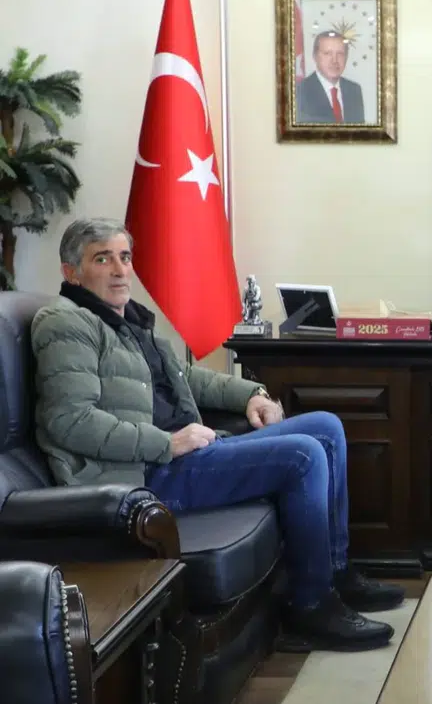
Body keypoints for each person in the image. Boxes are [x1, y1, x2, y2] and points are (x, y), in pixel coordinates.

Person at [32, 218, 403, 652]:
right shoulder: (65, 322)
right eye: (102, 259)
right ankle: (311, 605)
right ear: (71, 272)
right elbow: (70, 420)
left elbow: (187, 378)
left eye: (125, 257)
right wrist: (166, 443)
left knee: (325, 426)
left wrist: (252, 394)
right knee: (303, 454)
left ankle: (335, 572)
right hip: (142, 476)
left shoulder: (127, 321)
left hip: (187, 452)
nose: (119, 270)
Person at [296, 30, 366, 124]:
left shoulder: (354, 90)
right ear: (315, 56)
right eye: (328, 53)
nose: (334, 60)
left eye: (340, 54)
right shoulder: (300, 91)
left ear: (346, 57)